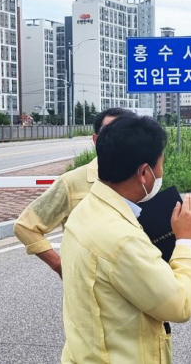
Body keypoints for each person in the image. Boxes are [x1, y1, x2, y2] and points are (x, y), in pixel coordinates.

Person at [60, 115, 191, 363]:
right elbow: (179, 304)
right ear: (144, 172)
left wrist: (182, 236)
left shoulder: (86, 211)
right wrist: (186, 241)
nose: (161, 172)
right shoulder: (122, 239)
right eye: (160, 164)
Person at [13, 107, 135, 277]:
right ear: (96, 139)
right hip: (87, 288)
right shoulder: (72, 182)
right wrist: (58, 265)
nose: (116, 141)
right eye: (109, 134)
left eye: (125, 134)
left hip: (136, 283)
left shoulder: (145, 179)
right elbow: (25, 226)